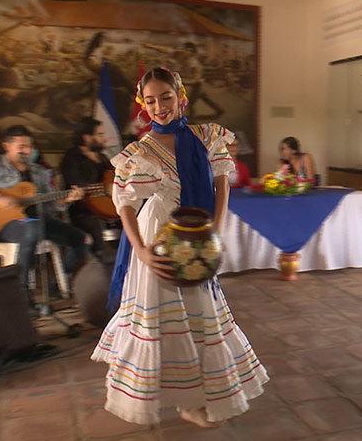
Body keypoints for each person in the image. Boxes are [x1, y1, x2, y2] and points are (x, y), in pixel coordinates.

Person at [91, 68, 268, 427]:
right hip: (158, 236)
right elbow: (122, 201)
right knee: (164, 320)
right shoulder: (140, 151)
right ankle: (180, 402)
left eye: (166, 97)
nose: (159, 107)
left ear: (180, 96)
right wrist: (140, 250)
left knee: (198, 315)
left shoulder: (207, 137)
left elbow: (222, 185)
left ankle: (194, 399)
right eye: (151, 100)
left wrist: (215, 230)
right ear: (144, 105)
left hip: (198, 231)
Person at [0, 125, 90, 292]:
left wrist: (66, 200)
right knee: (30, 229)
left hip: (36, 220)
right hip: (2, 225)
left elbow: (49, 204)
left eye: (29, 146)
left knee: (83, 240)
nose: (27, 151)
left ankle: (56, 283)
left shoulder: (38, 171)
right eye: (22, 147)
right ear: (7, 146)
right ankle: (20, 292)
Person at [60, 117, 115, 260]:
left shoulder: (102, 157)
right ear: (86, 137)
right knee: (92, 224)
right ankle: (101, 265)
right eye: (100, 135)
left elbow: (115, 177)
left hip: (107, 206)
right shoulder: (72, 158)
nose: (104, 139)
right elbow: (76, 184)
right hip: (83, 210)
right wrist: (104, 188)